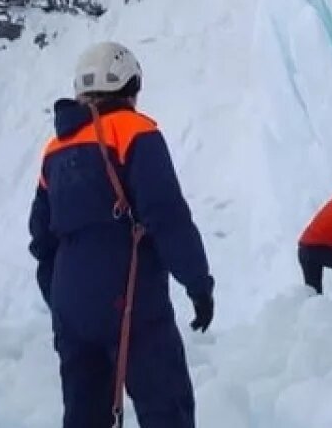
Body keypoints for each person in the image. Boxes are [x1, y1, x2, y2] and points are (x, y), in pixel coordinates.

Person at [28, 42, 214, 428]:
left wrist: (61, 298)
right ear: (128, 85)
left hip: (71, 303)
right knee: (166, 405)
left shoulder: (55, 148)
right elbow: (167, 216)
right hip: (129, 296)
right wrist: (198, 283)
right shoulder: (135, 132)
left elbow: (41, 239)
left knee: (84, 414)